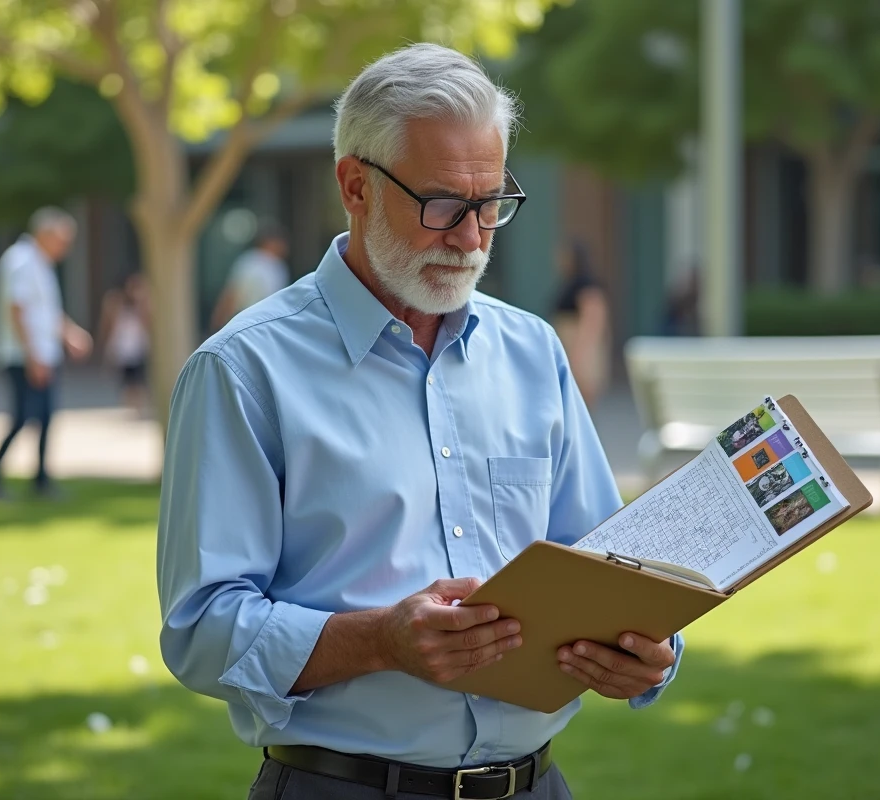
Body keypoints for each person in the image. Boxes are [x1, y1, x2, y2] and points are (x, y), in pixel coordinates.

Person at [157, 43, 682, 800]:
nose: (471, 238)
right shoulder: (244, 369)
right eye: (443, 205)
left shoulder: (532, 351)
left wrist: (649, 647)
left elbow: (601, 562)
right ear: (355, 185)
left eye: (492, 204)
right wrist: (379, 642)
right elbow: (201, 630)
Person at [0, 207, 93, 499]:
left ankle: (41, 480)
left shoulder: (40, 264)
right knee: (23, 417)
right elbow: (17, 311)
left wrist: (69, 334)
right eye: (62, 240)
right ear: (45, 234)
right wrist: (33, 356)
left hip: (43, 355)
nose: (65, 248)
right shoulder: (21, 262)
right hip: (24, 357)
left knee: (44, 417)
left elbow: (46, 312)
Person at [552, 240, 610, 410]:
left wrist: (579, 354)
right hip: (569, 345)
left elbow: (593, 319)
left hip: (580, 348)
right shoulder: (570, 283)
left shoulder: (587, 284)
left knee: (581, 404)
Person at [210, 222, 291, 331]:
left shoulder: (279, 266)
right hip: (245, 320)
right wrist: (220, 322)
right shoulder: (251, 261)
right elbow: (232, 294)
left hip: (267, 323)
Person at [97, 272, 151, 415]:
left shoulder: (142, 304)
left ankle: (136, 408)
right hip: (122, 349)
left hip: (139, 348)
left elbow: (149, 323)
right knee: (127, 381)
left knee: (138, 380)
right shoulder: (115, 302)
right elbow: (107, 325)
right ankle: (132, 408)